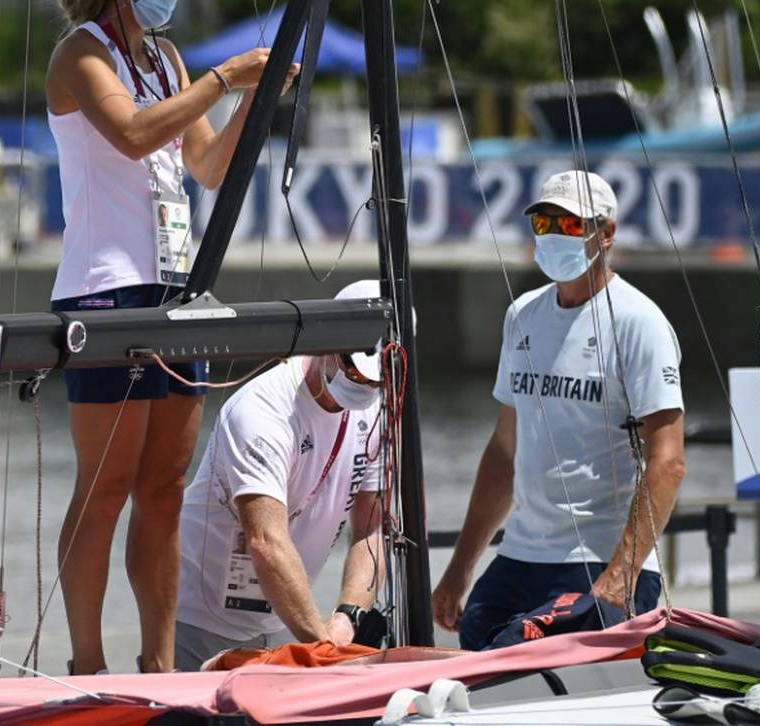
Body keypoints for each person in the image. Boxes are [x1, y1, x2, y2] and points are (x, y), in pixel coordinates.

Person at [44, 0, 299, 674]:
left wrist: (254, 93)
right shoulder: (81, 51)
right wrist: (223, 78)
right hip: (106, 290)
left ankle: (160, 664)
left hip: (174, 287)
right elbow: (130, 133)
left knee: (164, 488)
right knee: (106, 484)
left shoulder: (165, 58)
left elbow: (209, 167)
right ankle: (86, 664)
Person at [431, 171, 687, 651]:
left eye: (569, 225)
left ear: (605, 234)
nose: (552, 236)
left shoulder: (639, 322)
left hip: (600, 559)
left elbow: (669, 461)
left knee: (514, 649)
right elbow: (505, 451)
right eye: (544, 224)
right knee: (475, 637)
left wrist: (622, 573)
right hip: (522, 555)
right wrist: (459, 569)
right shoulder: (522, 315)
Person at [173, 280, 389, 671]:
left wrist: (348, 614)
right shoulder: (261, 410)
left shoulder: (376, 411)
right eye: (354, 372)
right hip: (202, 617)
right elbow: (266, 541)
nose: (364, 386)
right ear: (326, 341)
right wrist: (323, 648)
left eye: (376, 381)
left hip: (288, 614)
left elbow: (372, 530)